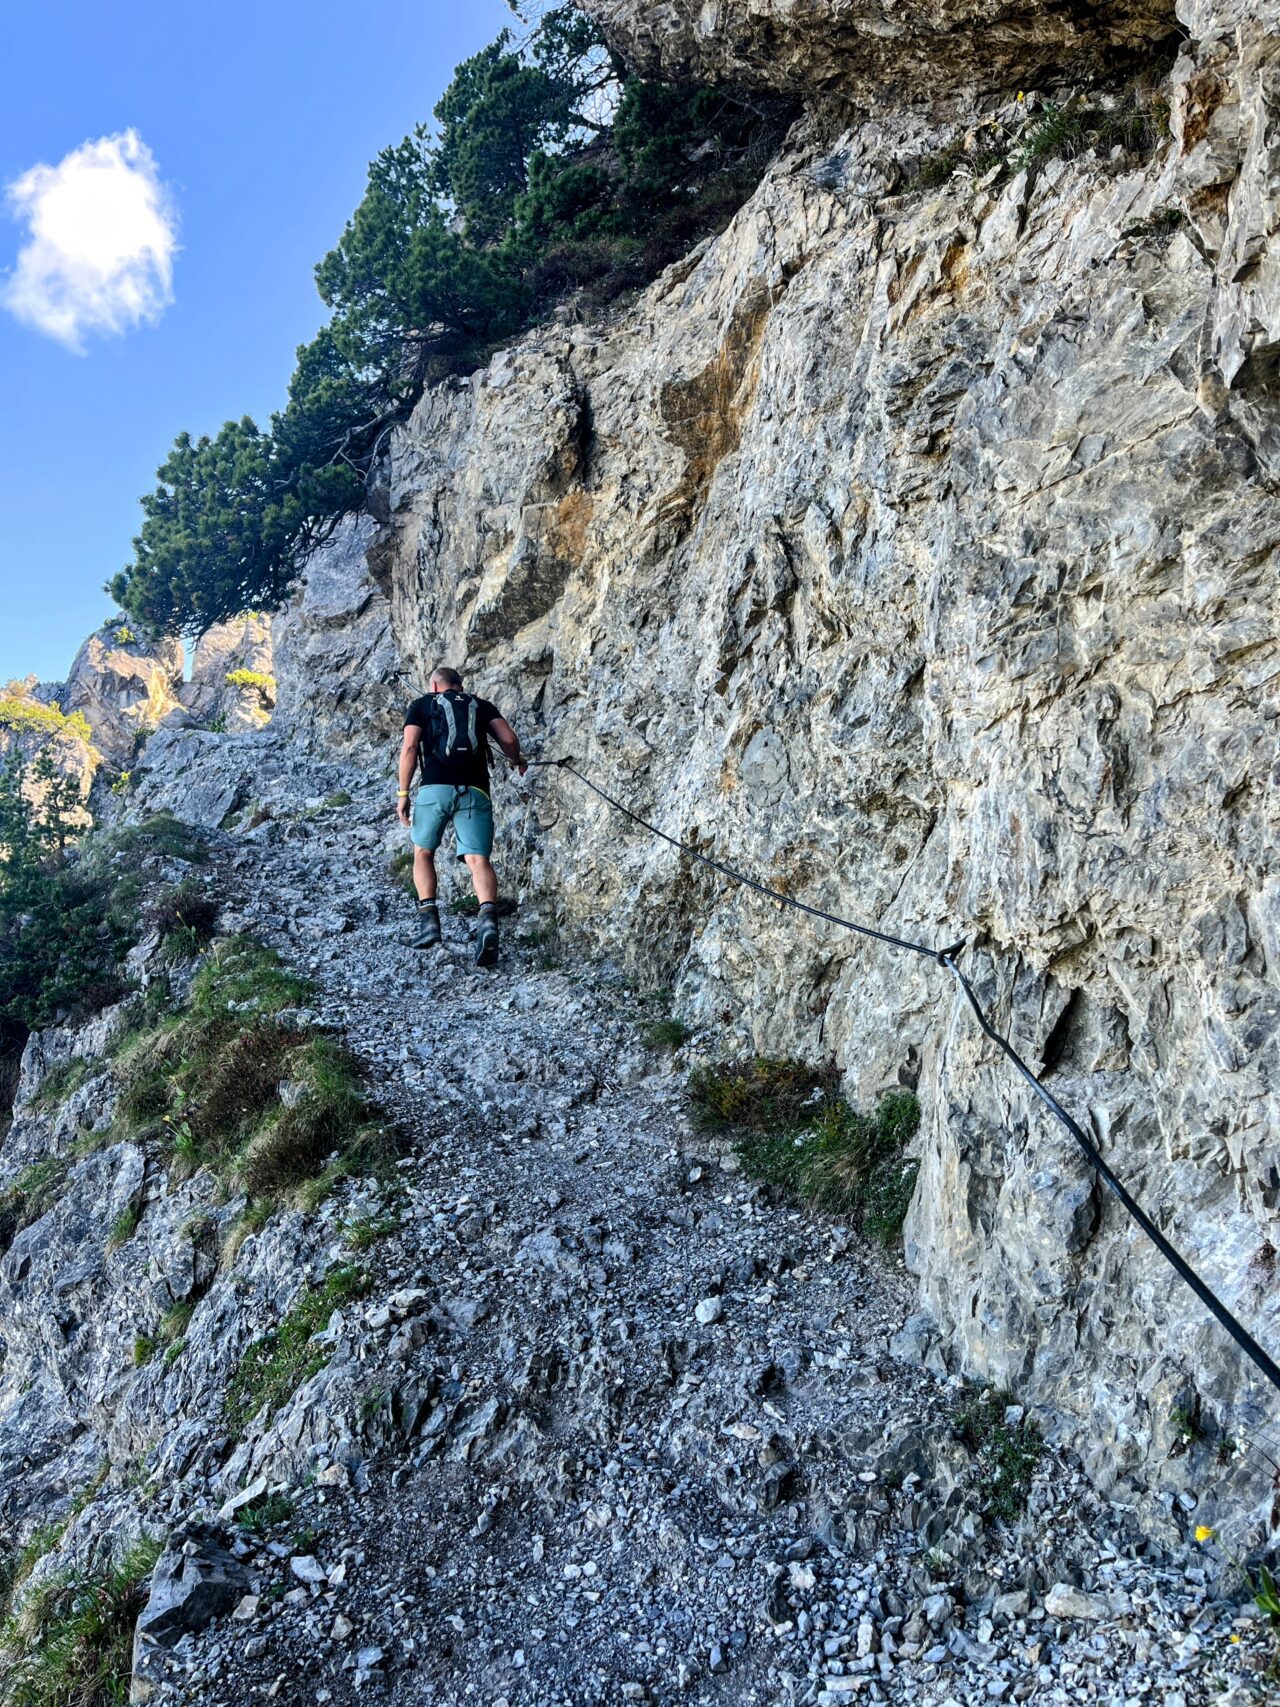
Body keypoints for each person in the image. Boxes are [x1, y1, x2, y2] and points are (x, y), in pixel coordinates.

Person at [397, 667, 527, 965]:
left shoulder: (422, 704)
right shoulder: (479, 704)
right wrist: (515, 759)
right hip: (475, 791)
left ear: (434, 684)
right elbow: (507, 737)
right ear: (460, 685)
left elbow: (409, 747)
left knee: (423, 852)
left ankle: (428, 924)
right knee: (478, 859)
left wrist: (403, 794)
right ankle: (488, 923)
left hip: (435, 790)